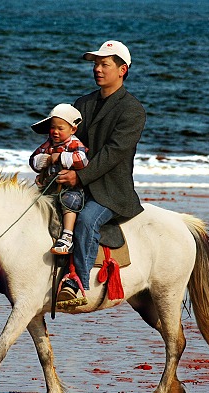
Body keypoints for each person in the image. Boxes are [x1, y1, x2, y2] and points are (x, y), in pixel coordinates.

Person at [56, 40, 146, 306]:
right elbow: (68, 142)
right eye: (95, 64)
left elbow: (113, 153)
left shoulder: (133, 110)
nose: (97, 69)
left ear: (122, 70)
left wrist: (78, 177)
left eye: (104, 64)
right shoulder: (82, 104)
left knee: (85, 221)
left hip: (111, 192)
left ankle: (79, 284)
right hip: (78, 184)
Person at [29, 103, 89, 255]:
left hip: (70, 188)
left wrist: (60, 157)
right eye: (52, 128)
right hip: (49, 186)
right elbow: (33, 160)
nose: (55, 132)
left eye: (60, 128)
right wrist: (45, 160)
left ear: (72, 129)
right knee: (34, 201)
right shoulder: (49, 144)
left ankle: (67, 237)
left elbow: (82, 160)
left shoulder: (74, 143)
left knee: (69, 202)